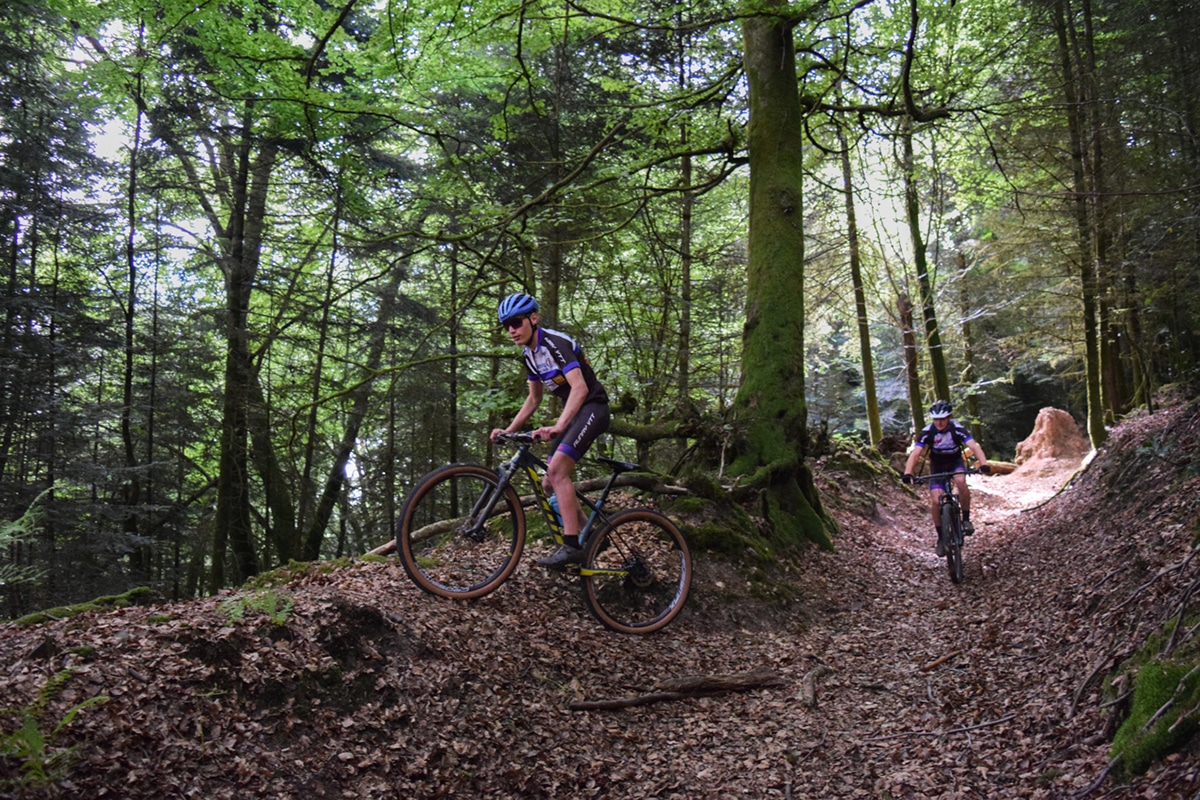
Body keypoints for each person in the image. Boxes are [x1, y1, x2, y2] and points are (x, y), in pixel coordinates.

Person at [489, 292, 610, 568]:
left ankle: (571, 546)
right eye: (506, 325)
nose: (511, 330)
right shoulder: (529, 355)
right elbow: (534, 399)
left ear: (533, 318)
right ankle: (593, 534)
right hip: (576, 412)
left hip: (593, 407)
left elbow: (580, 388)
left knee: (556, 472)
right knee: (548, 483)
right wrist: (507, 430)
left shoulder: (555, 343)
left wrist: (558, 425)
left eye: (516, 322)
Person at [901, 400, 992, 555]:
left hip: (955, 462)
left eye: (943, 418)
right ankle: (941, 538)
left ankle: (965, 519)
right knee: (936, 501)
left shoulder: (957, 429)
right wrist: (908, 473)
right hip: (937, 464)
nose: (940, 422)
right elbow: (915, 453)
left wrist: (983, 464)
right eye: (936, 419)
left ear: (949, 417)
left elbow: (974, 446)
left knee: (960, 481)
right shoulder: (928, 431)